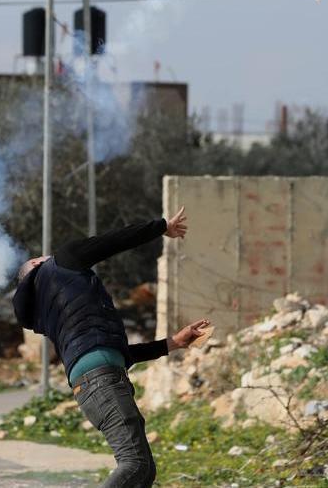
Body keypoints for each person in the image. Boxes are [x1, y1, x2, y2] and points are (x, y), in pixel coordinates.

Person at [13, 207, 210, 488]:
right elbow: (114, 240)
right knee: (135, 464)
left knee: (144, 472)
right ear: (35, 265)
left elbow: (114, 353)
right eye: (39, 257)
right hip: (102, 381)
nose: (45, 255)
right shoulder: (62, 263)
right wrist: (161, 226)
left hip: (93, 385)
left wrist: (173, 343)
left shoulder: (51, 315)